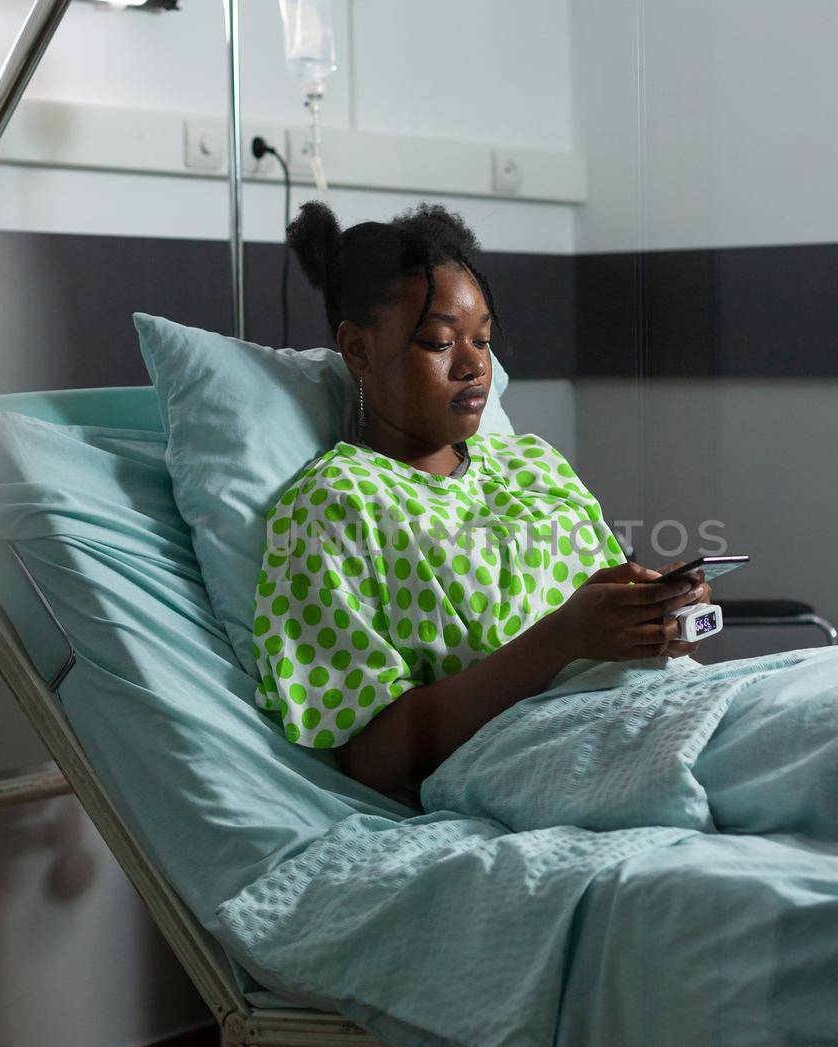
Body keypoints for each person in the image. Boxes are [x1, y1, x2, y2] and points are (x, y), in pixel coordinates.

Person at [253, 201, 710, 794]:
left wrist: (656, 616)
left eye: (484, 340)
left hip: (669, 705)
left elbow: (609, 608)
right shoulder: (336, 504)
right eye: (440, 342)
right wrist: (561, 639)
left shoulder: (533, 464)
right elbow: (372, 758)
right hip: (553, 759)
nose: (474, 366)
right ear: (359, 350)